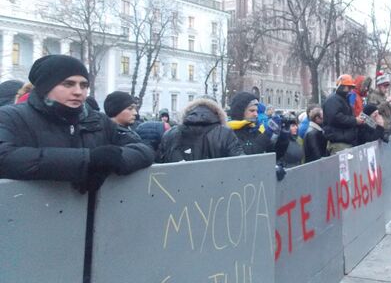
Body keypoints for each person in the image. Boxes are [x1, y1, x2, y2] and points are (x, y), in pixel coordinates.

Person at [0, 55, 154, 192]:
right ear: (45, 87)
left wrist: (112, 162)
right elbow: (5, 158)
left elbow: (144, 149)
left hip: (92, 219)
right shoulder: (11, 116)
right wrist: (86, 162)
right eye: (68, 84)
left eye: (84, 85)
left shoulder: (98, 120)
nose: (78, 91)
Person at [226, 92, 289, 181]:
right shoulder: (230, 132)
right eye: (252, 111)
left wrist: (284, 135)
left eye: (256, 110)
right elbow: (249, 155)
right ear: (240, 112)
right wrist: (268, 132)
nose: (256, 114)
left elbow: (272, 153)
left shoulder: (254, 128)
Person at [159, 96, 243, 162]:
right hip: (218, 182)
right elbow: (240, 164)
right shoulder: (226, 133)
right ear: (218, 112)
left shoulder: (170, 134)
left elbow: (159, 164)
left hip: (175, 183)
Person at [323, 74, 364, 154]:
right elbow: (335, 118)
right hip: (339, 143)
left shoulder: (342, 99)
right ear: (341, 86)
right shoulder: (333, 100)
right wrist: (354, 120)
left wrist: (356, 120)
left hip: (344, 142)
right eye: (349, 87)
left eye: (351, 87)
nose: (350, 90)